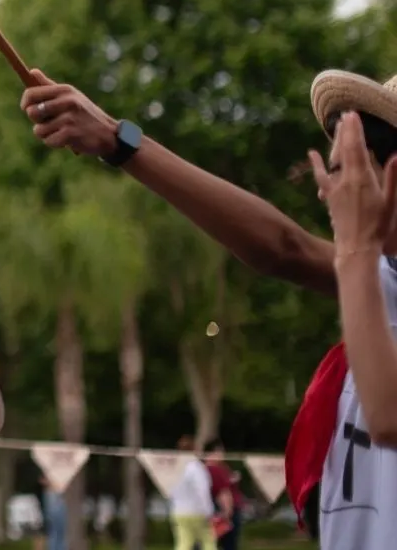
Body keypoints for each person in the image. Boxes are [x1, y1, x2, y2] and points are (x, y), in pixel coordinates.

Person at [21, 67, 397, 544]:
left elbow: (389, 417)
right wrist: (118, 142)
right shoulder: (377, 275)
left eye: (345, 171)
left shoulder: (365, 268)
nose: (326, 190)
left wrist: (357, 254)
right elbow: (284, 248)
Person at [170, 437, 215, 550]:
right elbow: (203, 489)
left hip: (179, 511)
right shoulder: (196, 467)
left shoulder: (175, 468)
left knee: (184, 543)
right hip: (197, 511)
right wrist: (209, 510)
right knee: (208, 540)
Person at [203, 437, 242, 550]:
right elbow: (223, 493)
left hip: (221, 510)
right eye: (220, 450)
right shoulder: (214, 469)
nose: (223, 454)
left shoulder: (221, 467)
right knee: (227, 544)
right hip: (225, 511)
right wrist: (227, 513)